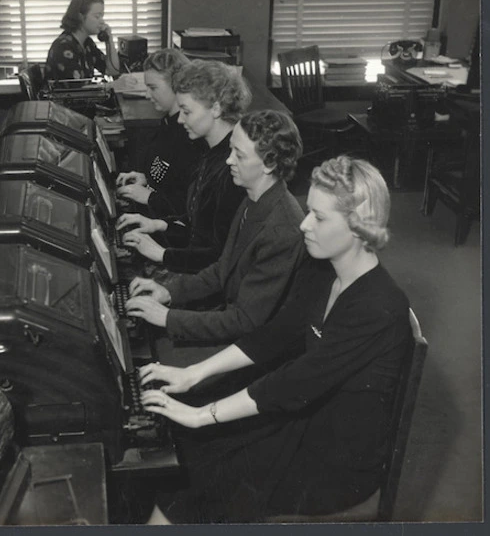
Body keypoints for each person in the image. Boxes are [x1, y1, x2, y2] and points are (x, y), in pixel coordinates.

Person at [136, 156, 411, 524]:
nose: (303, 224)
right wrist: (193, 375)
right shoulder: (320, 268)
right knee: (181, 443)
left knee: (194, 477)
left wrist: (203, 416)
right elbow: (275, 335)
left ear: (359, 228)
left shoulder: (378, 307)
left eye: (319, 216)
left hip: (335, 459)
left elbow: (296, 383)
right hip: (303, 415)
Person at [124, 109, 305, 348]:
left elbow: (245, 320)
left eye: (239, 155)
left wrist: (167, 317)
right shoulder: (254, 197)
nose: (229, 160)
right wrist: (168, 292)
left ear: (269, 164)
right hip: (234, 326)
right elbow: (223, 269)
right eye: (230, 150)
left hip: (254, 348)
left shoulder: (281, 231)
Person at [115, 60, 250, 274]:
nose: (180, 120)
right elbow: (199, 226)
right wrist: (159, 225)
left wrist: (162, 255)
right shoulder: (211, 152)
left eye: (186, 111)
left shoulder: (232, 169)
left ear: (215, 108)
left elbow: (220, 256)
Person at [115, 49, 205, 218]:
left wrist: (149, 197)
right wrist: (145, 180)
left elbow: (189, 206)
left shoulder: (190, 136)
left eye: (153, 88)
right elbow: (166, 175)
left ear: (176, 85)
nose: (147, 94)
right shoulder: (167, 123)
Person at [44, 0, 120, 82]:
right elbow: (79, 88)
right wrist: (112, 86)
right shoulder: (63, 46)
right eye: (97, 16)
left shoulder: (87, 44)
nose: (102, 21)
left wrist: (109, 41)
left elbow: (112, 71)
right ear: (80, 16)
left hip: (84, 96)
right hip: (67, 96)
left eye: (102, 16)